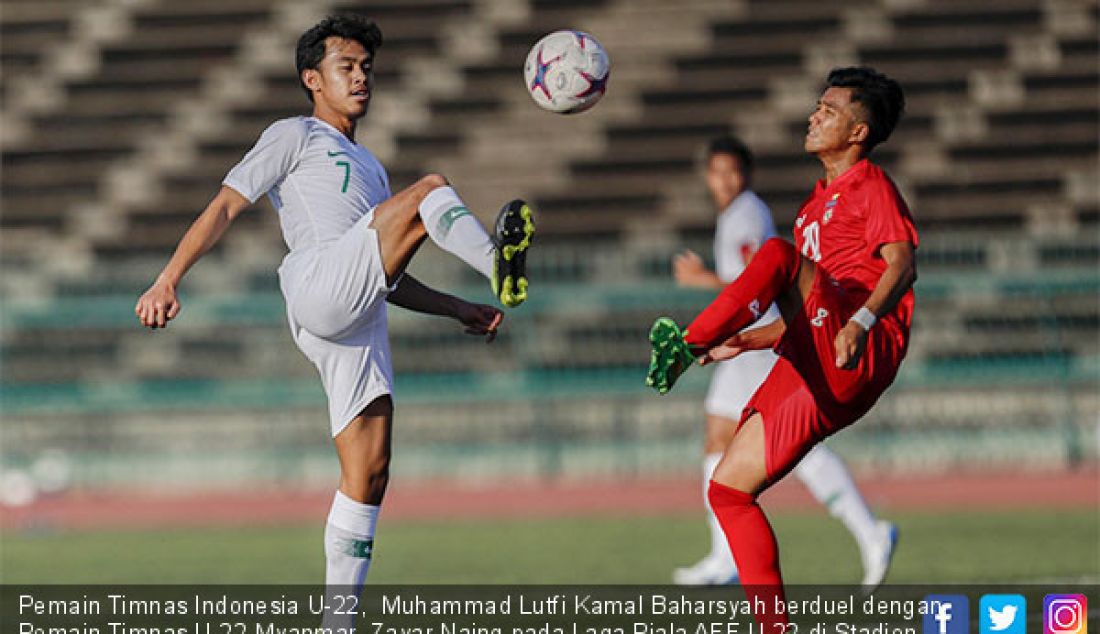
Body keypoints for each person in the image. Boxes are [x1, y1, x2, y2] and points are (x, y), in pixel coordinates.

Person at [134, 14, 535, 629]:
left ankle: (337, 622)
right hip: (318, 279)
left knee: (369, 473)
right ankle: (496, 264)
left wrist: (457, 308)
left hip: (357, 306)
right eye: (346, 67)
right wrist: (169, 277)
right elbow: (224, 205)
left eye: (366, 67)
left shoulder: (370, 167)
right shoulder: (293, 134)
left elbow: (385, 274)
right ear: (312, 79)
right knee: (430, 189)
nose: (361, 77)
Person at [647, 66, 916, 630]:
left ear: (859, 132)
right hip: (818, 358)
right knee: (728, 489)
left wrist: (863, 322)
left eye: (829, 110)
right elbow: (804, 314)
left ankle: (689, 341)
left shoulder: (871, 185)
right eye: (817, 106)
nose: (814, 116)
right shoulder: (811, 209)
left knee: (776, 256)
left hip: (860, 348)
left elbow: (902, 265)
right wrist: (743, 342)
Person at [670, 136, 897, 590]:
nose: (725, 180)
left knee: (788, 441)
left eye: (733, 170)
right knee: (723, 436)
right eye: (718, 171)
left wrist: (701, 280)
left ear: (747, 174)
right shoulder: (735, 215)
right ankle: (725, 556)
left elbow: (757, 280)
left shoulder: (746, 213)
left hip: (769, 333)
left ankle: (868, 530)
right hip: (761, 335)